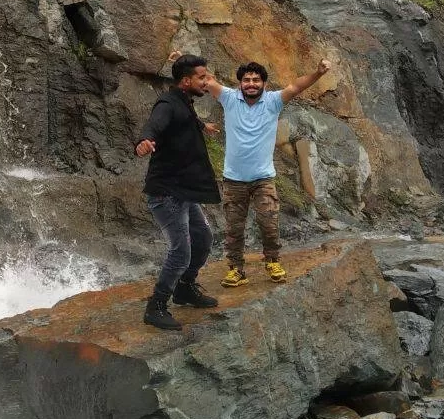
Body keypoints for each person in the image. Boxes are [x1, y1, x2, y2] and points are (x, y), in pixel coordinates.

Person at [203, 57, 331, 287]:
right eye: (246, 80)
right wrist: (181, 58)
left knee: (269, 223)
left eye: (256, 80)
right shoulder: (229, 98)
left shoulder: (273, 101)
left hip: (263, 179)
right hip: (233, 180)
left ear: (264, 83)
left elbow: (296, 86)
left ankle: (272, 261)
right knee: (234, 229)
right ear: (240, 83)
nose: (251, 83)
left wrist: (318, 73)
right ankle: (236, 270)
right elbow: (207, 79)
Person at [135, 55, 221, 331]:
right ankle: (156, 305)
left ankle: (184, 289)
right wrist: (145, 140)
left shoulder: (183, 102)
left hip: (181, 191)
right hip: (166, 193)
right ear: (186, 81)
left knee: (203, 237)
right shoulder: (167, 104)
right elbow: (155, 124)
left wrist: (202, 126)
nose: (206, 82)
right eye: (202, 78)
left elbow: (186, 119)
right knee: (181, 251)